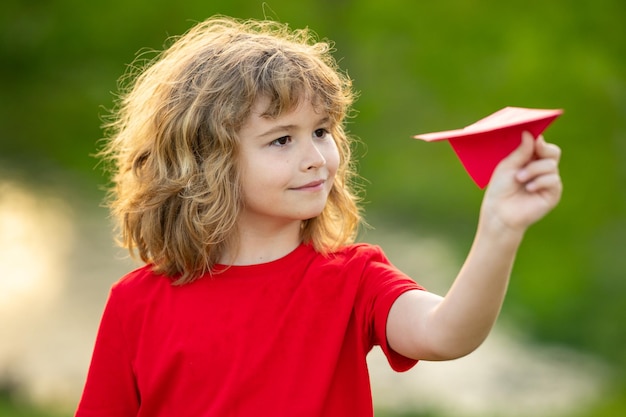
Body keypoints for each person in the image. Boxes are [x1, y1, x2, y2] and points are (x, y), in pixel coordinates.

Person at [75, 15, 562, 417]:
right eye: (282, 139)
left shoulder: (355, 279)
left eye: (323, 131)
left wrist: (500, 227)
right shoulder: (136, 304)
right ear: (208, 163)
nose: (316, 158)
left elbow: (445, 333)